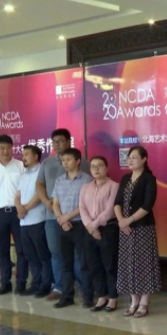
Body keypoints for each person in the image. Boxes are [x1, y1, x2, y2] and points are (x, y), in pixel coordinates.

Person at [36, 128, 90, 301]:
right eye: (54, 142)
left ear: (68, 141)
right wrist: (47, 203)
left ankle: (84, 287)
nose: (57, 144)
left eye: (60, 141)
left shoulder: (83, 163)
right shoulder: (47, 162)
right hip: (53, 217)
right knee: (56, 253)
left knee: (78, 255)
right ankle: (60, 288)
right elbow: (39, 184)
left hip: (77, 218)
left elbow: (90, 190)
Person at [115, 146, 161, 318]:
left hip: (143, 227)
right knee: (128, 264)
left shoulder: (149, 179)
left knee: (144, 264)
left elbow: (147, 205)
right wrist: (121, 220)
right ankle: (133, 301)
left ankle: (144, 303)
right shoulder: (125, 178)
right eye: (129, 157)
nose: (131, 160)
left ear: (144, 159)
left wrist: (130, 220)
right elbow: (117, 202)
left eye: (134, 157)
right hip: (125, 229)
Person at [52, 148, 93, 309]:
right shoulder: (59, 180)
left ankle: (88, 296)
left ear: (78, 161)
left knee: (85, 261)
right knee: (66, 263)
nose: (65, 163)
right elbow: (55, 203)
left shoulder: (87, 180)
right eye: (63, 160)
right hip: (63, 225)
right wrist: (61, 219)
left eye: (68, 159)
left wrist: (67, 217)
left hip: (81, 224)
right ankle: (67, 296)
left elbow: (86, 205)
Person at [0, 135, 28, 295]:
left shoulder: (21, 166)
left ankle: (21, 282)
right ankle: (5, 283)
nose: (5, 151)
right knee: (2, 250)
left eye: (8, 147)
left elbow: (26, 188)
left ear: (13, 148)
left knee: (21, 249)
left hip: (18, 212)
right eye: (2, 148)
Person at [79, 156, 120, 312]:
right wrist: (89, 227)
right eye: (93, 166)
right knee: (94, 265)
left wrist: (94, 225)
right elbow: (82, 208)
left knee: (109, 265)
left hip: (107, 229)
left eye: (100, 166)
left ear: (106, 168)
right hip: (89, 230)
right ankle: (101, 295)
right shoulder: (85, 187)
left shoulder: (114, 186)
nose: (96, 169)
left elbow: (110, 210)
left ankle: (113, 297)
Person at [15, 145, 53, 298]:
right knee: (30, 256)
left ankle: (46, 285)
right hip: (24, 222)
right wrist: (19, 208)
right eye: (23, 154)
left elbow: (40, 195)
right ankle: (35, 284)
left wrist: (25, 208)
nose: (23, 157)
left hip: (38, 220)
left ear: (36, 156)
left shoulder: (41, 172)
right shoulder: (23, 175)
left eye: (26, 154)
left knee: (43, 255)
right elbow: (17, 195)